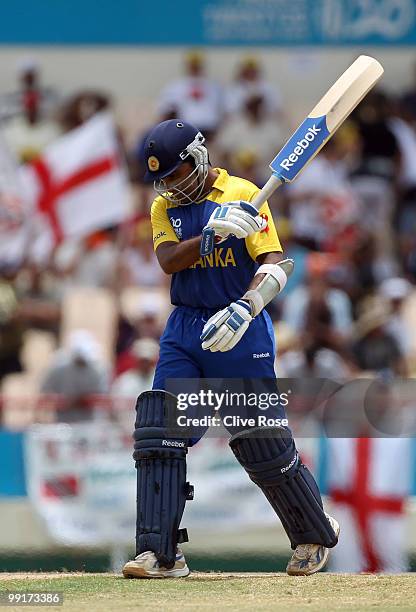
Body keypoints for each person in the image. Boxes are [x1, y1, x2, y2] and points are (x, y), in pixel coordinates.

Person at [122, 119, 339, 579]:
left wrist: (248, 305)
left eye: (178, 174)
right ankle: (159, 553)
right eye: (163, 180)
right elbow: (166, 261)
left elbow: (276, 264)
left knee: (260, 441)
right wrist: (207, 238)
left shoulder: (243, 192)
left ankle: (313, 535)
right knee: (161, 431)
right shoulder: (164, 206)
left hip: (240, 327)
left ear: (198, 159)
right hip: (185, 328)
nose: (171, 186)